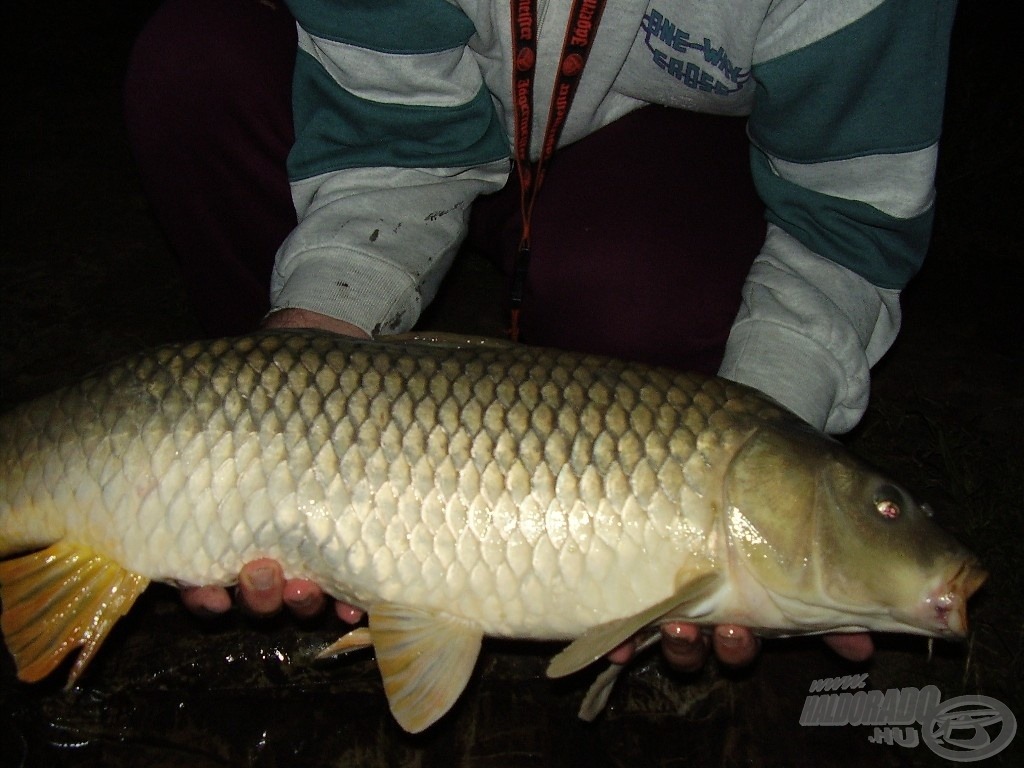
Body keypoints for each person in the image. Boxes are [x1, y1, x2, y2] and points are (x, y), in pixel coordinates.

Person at [124, 0, 957, 671]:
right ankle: (230, 481)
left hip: (645, 146)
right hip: (395, 119)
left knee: (636, 292)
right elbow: (394, 140)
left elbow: (848, 228)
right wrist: (295, 357)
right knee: (199, 61)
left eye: (888, 511)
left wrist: (765, 413)